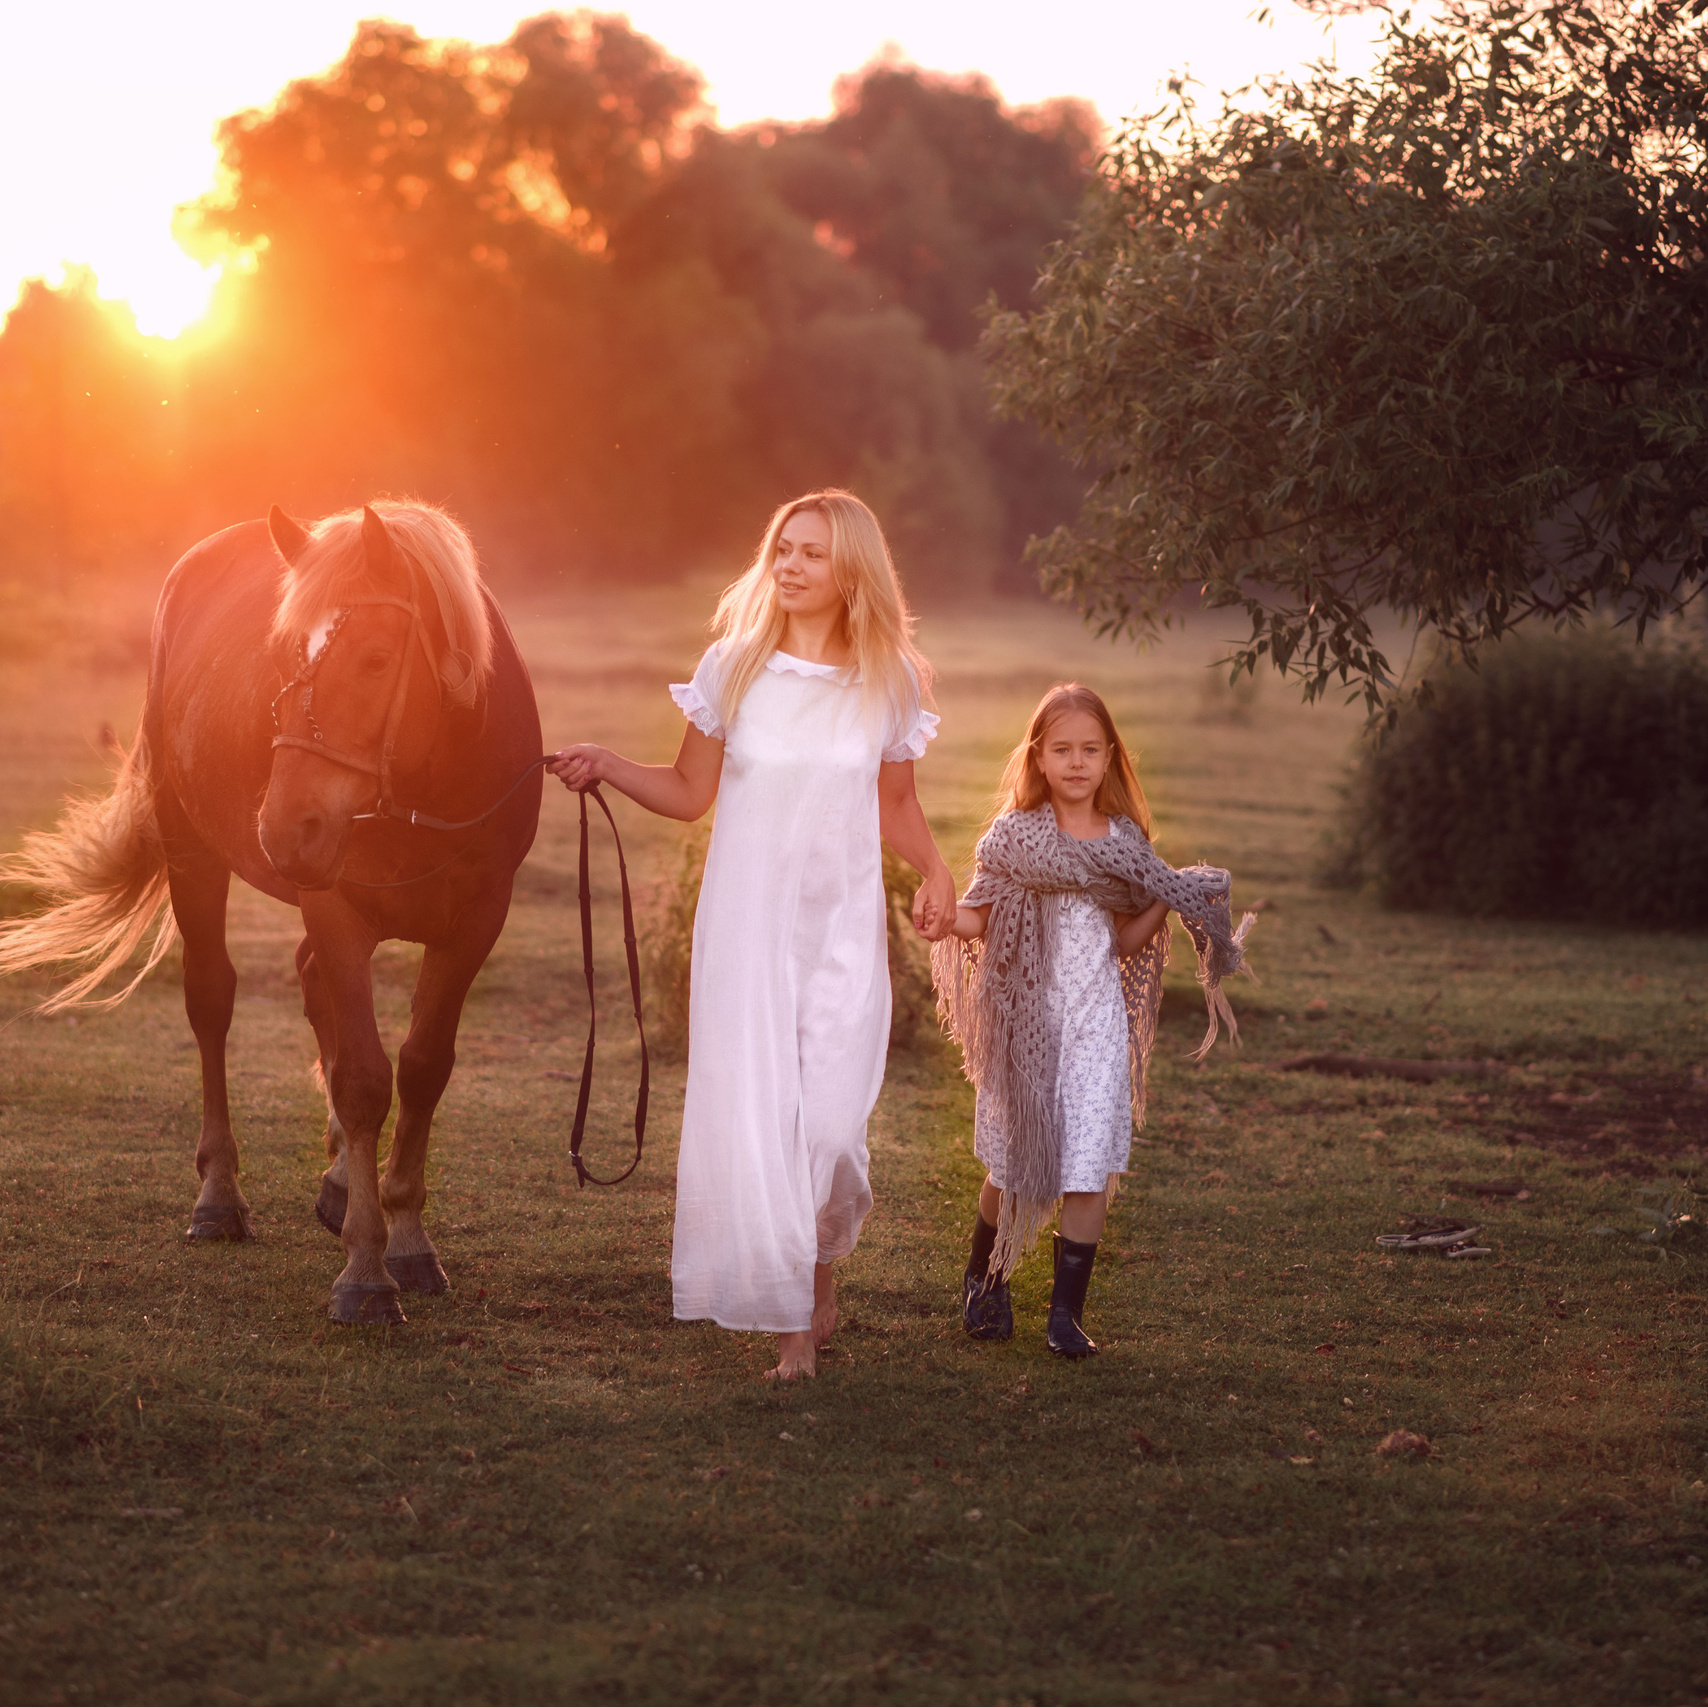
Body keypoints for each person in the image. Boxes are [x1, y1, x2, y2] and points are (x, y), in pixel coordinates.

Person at [548, 490, 956, 1380]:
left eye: (812, 552)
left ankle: (817, 1267)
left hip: (842, 929)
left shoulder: (890, 679)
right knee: (766, 1119)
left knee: (835, 1130)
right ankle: (793, 1332)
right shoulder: (734, 666)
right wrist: (611, 765)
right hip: (746, 929)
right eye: (783, 548)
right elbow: (693, 793)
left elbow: (897, 805)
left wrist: (935, 870)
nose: (791, 565)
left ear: (852, 568)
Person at [932, 684, 1254, 1358]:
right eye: (1062, 750)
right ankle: (983, 1280)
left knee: (1090, 1164)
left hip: (1096, 1023)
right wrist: (943, 919)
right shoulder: (1016, 837)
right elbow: (980, 919)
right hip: (1029, 1023)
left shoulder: (1126, 842)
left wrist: (1168, 897)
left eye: (1089, 749)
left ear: (1110, 757)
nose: (1076, 762)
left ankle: (1064, 1314)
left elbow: (1123, 943)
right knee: (1013, 1162)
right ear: (1039, 758)